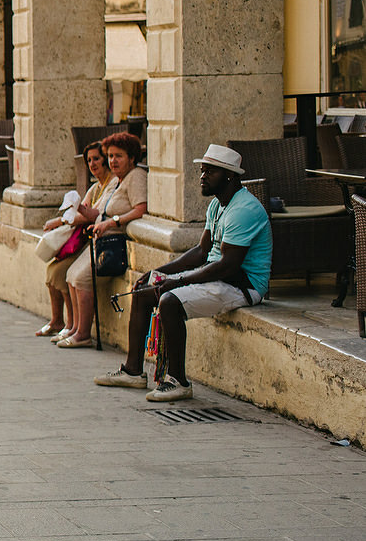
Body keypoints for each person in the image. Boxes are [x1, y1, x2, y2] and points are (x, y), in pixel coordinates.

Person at [96, 144, 272, 402]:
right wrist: (159, 272)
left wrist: (176, 281)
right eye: (202, 171)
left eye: (209, 172)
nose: (201, 177)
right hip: (218, 276)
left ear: (229, 176)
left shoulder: (243, 209)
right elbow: (202, 252)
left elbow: (227, 265)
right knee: (145, 291)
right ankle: (133, 371)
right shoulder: (217, 205)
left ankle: (177, 380)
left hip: (242, 285)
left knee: (170, 301)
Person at [58, 131, 147, 348]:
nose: (113, 161)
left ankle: (83, 334)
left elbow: (141, 209)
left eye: (119, 156)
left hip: (115, 243)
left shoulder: (136, 177)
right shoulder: (117, 181)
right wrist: (77, 207)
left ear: (132, 158)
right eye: (110, 156)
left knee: (81, 279)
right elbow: (98, 212)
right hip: (100, 241)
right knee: (71, 275)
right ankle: (75, 328)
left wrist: (112, 222)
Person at [38, 142, 112, 340]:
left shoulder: (112, 185)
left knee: (63, 272)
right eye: (89, 160)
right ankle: (58, 321)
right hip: (80, 241)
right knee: (52, 271)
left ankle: (72, 324)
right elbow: (79, 210)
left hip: (93, 243)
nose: (93, 164)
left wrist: (61, 220)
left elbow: (90, 215)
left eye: (96, 158)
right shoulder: (95, 188)